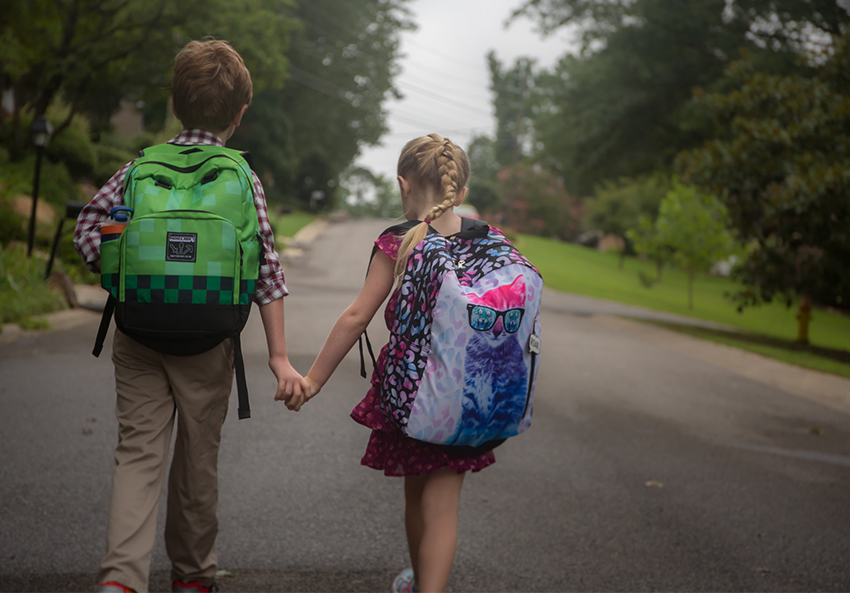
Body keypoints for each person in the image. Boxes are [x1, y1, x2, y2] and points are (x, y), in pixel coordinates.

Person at [74, 39, 306, 593]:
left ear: (175, 107)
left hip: (139, 330)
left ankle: (121, 580)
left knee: (138, 453)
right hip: (209, 340)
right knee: (198, 462)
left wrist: (128, 269)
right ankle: (194, 577)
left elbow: (89, 234)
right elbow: (266, 270)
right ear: (240, 114)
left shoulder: (138, 169)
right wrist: (279, 358)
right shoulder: (242, 178)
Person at [285, 134, 495, 593]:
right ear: (460, 192)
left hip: (412, 395)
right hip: (468, 395)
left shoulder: (399, 242)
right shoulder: (490, 242)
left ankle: (419, 582)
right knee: (444, 507)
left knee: (416, 496)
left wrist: (314, 380)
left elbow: (358, 314)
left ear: (403, 186)